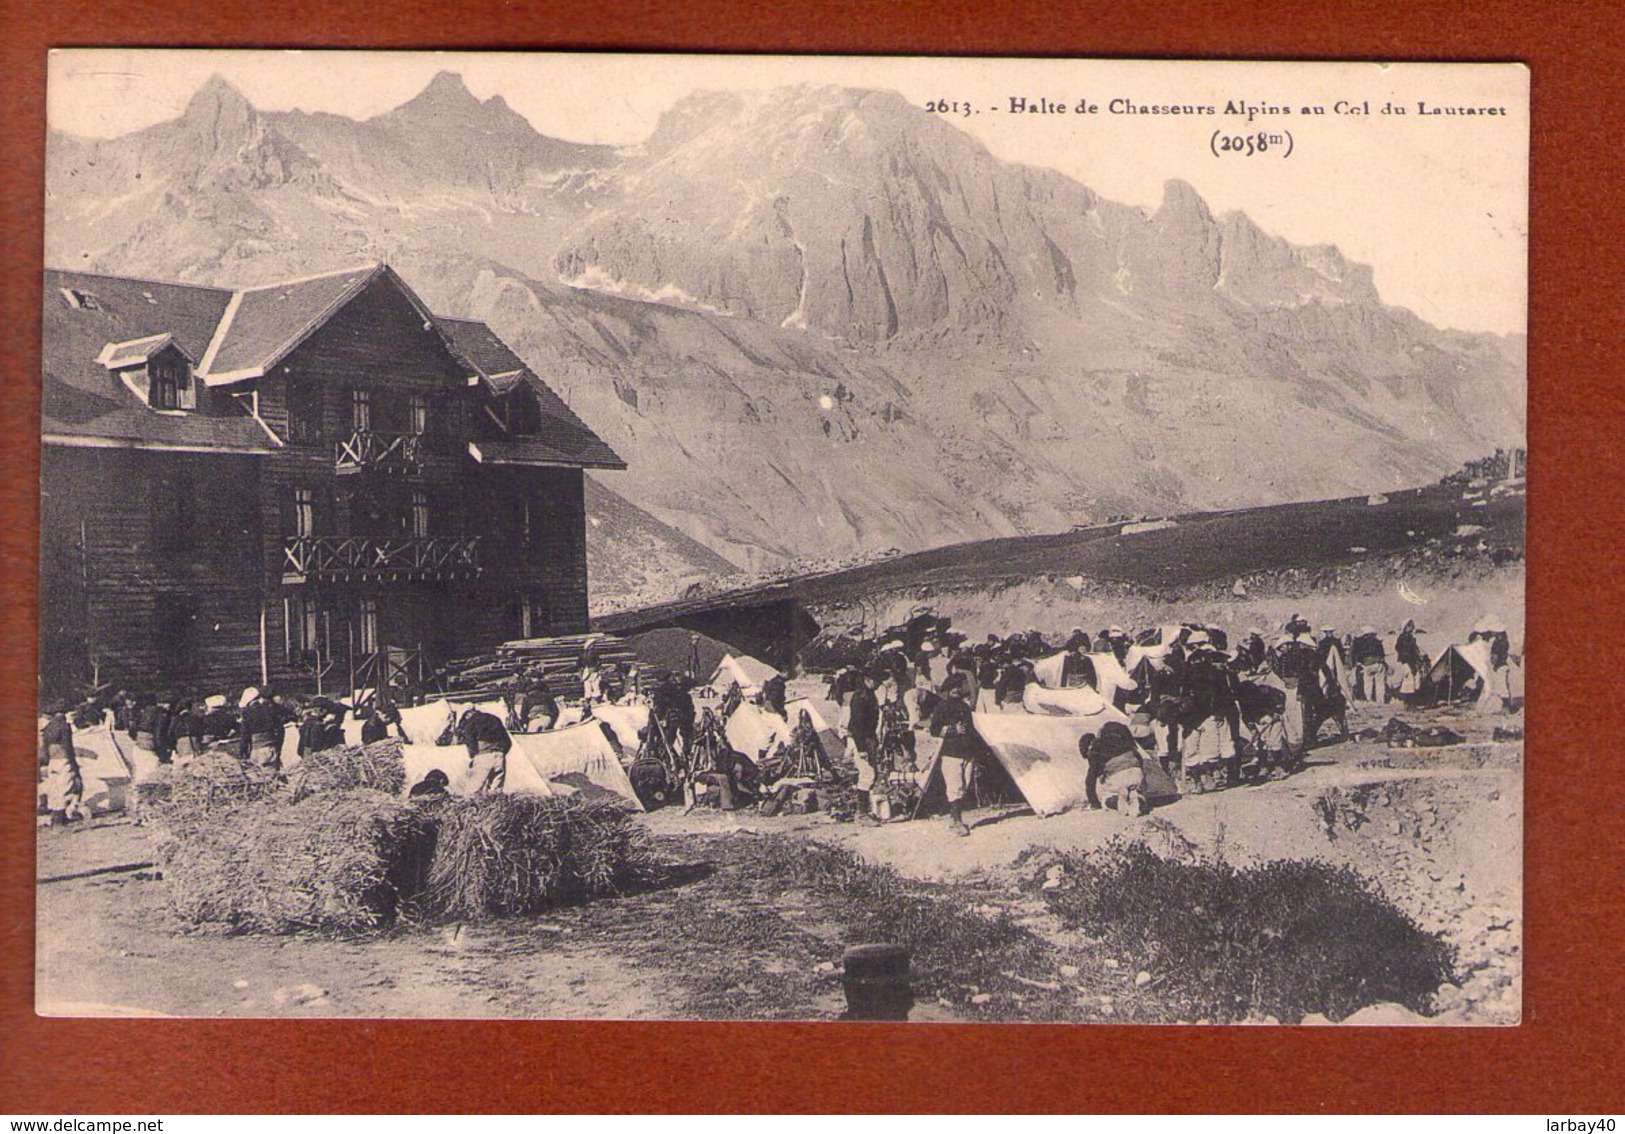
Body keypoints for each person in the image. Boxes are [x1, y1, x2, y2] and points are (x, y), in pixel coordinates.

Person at [929, 672, 986, 836]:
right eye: (952, 688)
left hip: (966, 751)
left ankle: (957, 817)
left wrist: (975, 751)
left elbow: (972, 730)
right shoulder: (942, 707)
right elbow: (934, 730)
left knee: (965, 783)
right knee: (955, 786)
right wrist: (953, 729)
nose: (955, 691)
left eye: (958, 687)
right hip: (951, 752)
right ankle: (956, 821)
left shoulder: (965, 707)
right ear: (947, 690)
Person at [1269, 617, 1322, 767]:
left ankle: (1297, 744)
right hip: (1290, 688)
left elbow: (1301, 675)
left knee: (1297, 716)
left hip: (1294, 688)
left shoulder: (1295, 657)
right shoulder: (1289, 657)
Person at [1083, 721, 1148, 820]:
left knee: (1107, 799)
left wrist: (1094, 803)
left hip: (1117, 776)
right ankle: (1137, 797)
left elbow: (1090, 779)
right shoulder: (1128, 744)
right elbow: (1140, 760)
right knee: (1135, 790)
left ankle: (1117, 799)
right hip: (1136, 772)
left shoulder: (1096, 748)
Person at [844, 668, 882, 826]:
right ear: (867, 679)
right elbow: (857, 725)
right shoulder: (861, 697)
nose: (878, 683)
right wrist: (861, 749)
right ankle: (862, 815)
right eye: (876, 680)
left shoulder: (869, 695)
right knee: (867, 774)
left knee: (870, 773)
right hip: (860, 740)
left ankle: (865, 812)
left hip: (867, 739)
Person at [39, 703, 88, 823]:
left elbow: (44, 747)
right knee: (65, 787)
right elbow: (68, 747)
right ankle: (60, 816)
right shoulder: (64, 726)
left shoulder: (47, 727)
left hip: (52, 760)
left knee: (55, 788)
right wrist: (74, 763)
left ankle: (55, 814)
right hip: (63, 759)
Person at [456, 704, 512, 794]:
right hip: (500, 756)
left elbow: (471, 742)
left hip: (484, 756)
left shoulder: (470, 722)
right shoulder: (495, 719)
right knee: (496, 791)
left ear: (467, 715)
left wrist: (473, 757)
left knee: (473, 791)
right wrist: (501, 753)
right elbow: (508, 742)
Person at [237, 687, 286, 773]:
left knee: (257, 776)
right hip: (270, 748)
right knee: (273, 774)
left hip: (256, 749)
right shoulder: (271, 710)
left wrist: (242, 752)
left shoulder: (248, 713)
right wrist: (278, 747)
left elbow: (245, 735)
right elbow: (281, 730)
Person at [1351, 626, 1389, 704]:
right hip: (1378, 664)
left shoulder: (1361, 643)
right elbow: (1382, 654)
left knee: (1368, 683)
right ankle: (1380, 700)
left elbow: (1356, 654)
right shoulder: (1377, 642)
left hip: (1367, 665)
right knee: (1380, 683)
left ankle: (1369, 699)